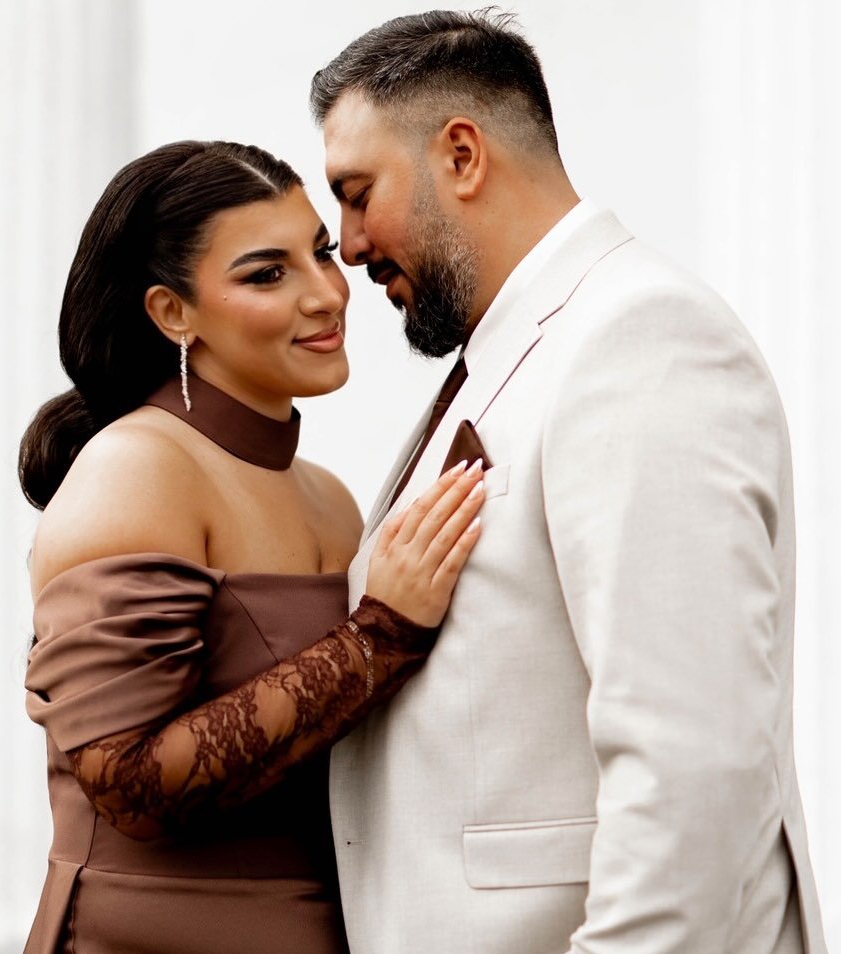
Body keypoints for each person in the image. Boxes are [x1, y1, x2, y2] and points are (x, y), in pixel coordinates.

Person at [310, 10, 827, 953]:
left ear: (461, 155)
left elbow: (692, 765)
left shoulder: (640, 338)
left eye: (357, 193)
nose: (347, 245)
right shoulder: (521, 351)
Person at [17, 139, 486, 953]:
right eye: (267, 274)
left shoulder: (330, 497)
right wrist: (379, 637)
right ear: (173, 313)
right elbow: (130, 785)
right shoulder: (137, 467)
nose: (326, 295)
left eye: (322, 254)